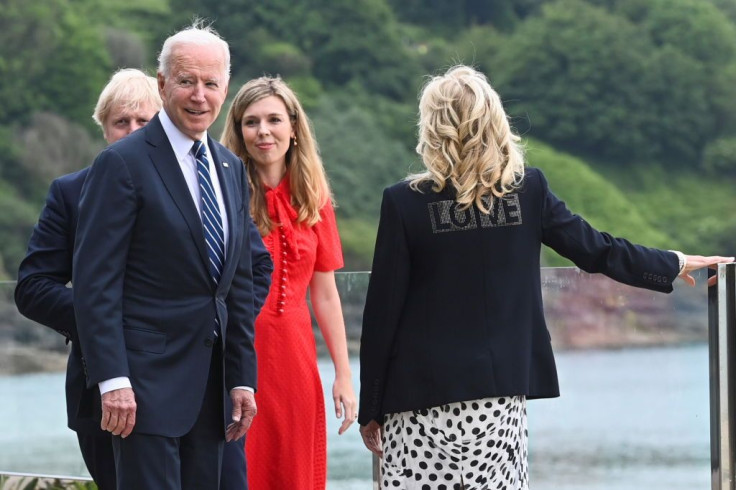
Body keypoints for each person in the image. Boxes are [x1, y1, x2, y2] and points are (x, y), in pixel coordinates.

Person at [357, 65, 734, 489]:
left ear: (432, 127)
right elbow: (595, 248)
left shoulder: (403, 202)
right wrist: (671, 262)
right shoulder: (527, 190)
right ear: (494, 122)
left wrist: (370, 407)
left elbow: (382, 313)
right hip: (496, 399)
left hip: (417, 398)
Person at [71, 22, 272, 490]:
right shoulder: (122, 163)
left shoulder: (229, 169)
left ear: (225, 87)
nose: (199, 95)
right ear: (162, 84)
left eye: (211, 83)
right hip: (142, 391)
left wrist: (243, 378)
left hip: (214, 391)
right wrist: (112, 379)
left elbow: (237, 283)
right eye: (186, 81)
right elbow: (95, 285)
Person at [14, 68, 162, 489]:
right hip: (98, 390)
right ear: (104, 128)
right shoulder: (70, 191)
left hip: (185, 382)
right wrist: (107, 323)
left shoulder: (192, 187)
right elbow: (33, 287)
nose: (132, 131)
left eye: (145, 122)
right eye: (121, 122)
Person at [219, 76, 357, 489]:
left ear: (294, 127)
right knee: (242, 469)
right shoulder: (224, 195)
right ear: (239, 132)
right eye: (251, 122)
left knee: (294, 471)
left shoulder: (314, 199)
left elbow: (326, 295)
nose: (263, 131)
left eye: (274, 119)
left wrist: (344, 375)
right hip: (236, 355)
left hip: (296, 360)